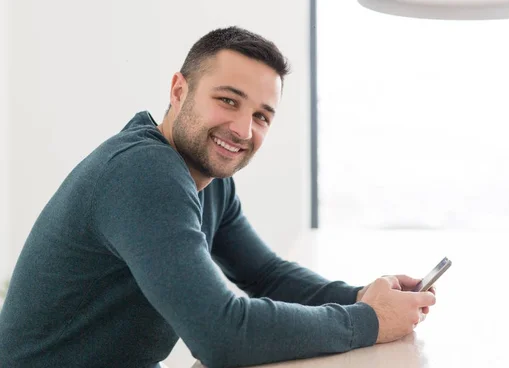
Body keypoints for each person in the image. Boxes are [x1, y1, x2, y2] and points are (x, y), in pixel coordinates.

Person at [0, 27, 436, 368]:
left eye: (261, 116)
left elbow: (265, 274)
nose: (243, 130)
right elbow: (220, 335)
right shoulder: (143, 172)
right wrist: (371, 321)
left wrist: (361, 297)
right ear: (178, 91)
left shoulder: (209, 179)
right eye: (228, 101)